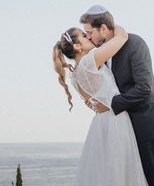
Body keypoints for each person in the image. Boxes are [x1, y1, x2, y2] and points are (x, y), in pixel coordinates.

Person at [80, 5, 154, 186]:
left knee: (153, 180)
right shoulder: (101, 53)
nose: (88, 37)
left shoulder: (135, 44)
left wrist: (111, 104)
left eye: (89, 32)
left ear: (103, 29)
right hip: (121, 130)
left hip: (146, 126)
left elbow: (145, 88)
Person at [53, 24, 148, 186]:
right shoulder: (90, 60)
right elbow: (122, 37)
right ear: (77, 46)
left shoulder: (74, 76)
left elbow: (90, 103)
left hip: (100, 123)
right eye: (84, 36)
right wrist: (108, 24)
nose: (89, 37)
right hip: (116, 121)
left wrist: (105, 104)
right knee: (121, 171)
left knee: (104, 173)